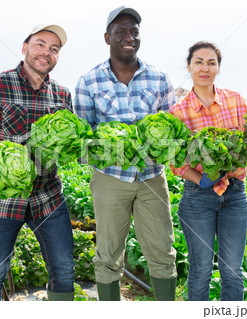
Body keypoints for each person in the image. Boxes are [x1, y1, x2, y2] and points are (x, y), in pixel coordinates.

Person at [0, 24, 75, 301]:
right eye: (40, 44)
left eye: (54, 49)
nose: (46, 52)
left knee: (64, 270)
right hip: (2, 200)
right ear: (25, 48)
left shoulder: (62, 95)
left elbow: (69, 144)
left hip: (48, 197)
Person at [74, 6, 178, 301]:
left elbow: (172, 130)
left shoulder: (160, 79)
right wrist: (111, 151)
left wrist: (158, 148)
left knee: (163, 251)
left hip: (152, 178)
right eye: (121, 31)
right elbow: (83, 139)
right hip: (110, 179)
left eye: (134, 31)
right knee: (108, 255)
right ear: (108, 37)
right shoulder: (89, 81)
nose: (128, 37)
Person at [169, 41, 247, 301]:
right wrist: (201, 179)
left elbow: (244, 145)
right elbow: (177, 162)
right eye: (198, 62)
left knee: (233, 271)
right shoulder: (179, 112)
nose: (204, 68)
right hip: (198, 198)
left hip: (236, 195)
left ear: (218, 67)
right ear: (188, 66)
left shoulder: (235, 101)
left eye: (211, 62)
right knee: (200, 270)